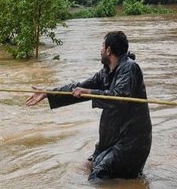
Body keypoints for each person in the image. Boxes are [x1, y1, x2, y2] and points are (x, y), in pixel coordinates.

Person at [26, 31, 152, 182]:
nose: (100, 50)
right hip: (110, 141)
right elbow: (79, 88)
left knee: (97, 176)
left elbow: (121, 98)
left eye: (102, 46)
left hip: (130, 143)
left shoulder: (130, 68)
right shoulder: (107, 71)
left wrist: (91, 92)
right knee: (84, 168)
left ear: (108, 50)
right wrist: (49, 93)